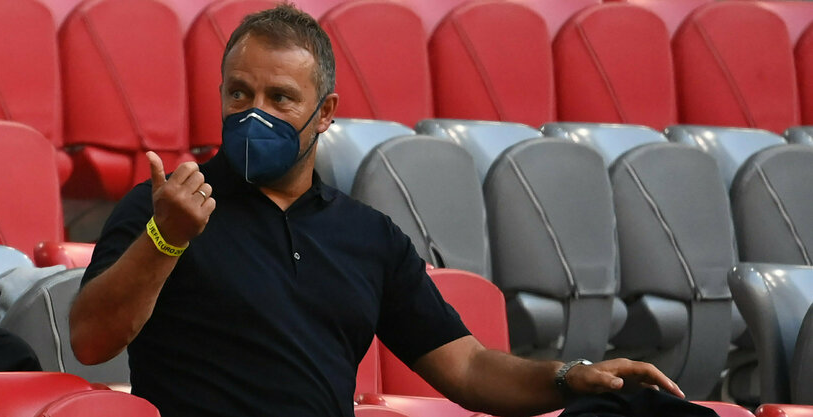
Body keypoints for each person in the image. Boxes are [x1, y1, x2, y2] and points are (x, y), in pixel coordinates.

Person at [69, 3, 683, 416]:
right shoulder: (168, 205)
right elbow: (92, 340)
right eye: (239, 92)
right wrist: (166, 239)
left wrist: (567, 378)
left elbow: (466, 368)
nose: (254, 113)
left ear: (326, 112)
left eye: (281, 98)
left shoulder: (366, 237)